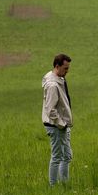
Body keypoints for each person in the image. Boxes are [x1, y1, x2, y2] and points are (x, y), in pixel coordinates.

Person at [41, 53, 73, 186]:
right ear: (57, 66)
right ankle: (53, 187)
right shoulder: (53, 85)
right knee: (57, 157)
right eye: (65, 68)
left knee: (67, 156)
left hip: (61, 125)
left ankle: (64, 184)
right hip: (56, 126)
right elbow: (50, 110)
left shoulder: (58, 78)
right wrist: (62, 124)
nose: (67, 71)